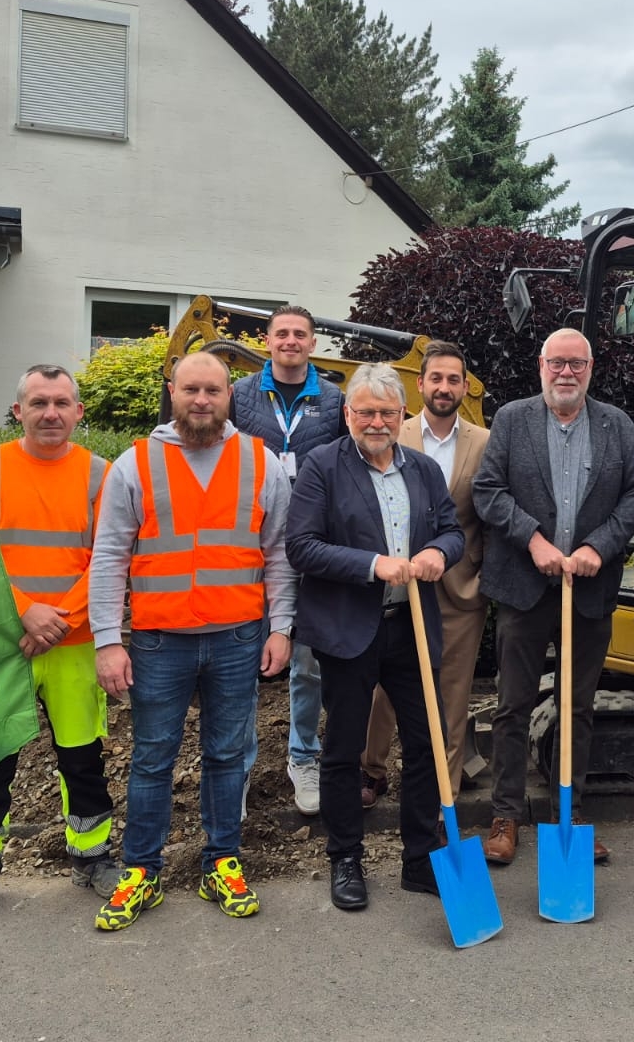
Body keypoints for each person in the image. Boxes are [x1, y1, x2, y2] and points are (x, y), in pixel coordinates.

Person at [87, 351, 294, 933]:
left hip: (237, 637)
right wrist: (108, 639)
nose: (201, 401)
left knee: (228, 755)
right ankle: (141, 870)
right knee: (152, 759)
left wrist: (281, 628)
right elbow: (108, 557)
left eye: (213, 391)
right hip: (159, 642)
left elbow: (278, 553)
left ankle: (221, 862)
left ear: (231, 395)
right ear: (171, 392)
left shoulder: (262, 462)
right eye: (190, 390)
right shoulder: (135, 464)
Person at [0, 365, 117, 930]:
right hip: (3, 641)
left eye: (62, 403)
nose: (51, 413)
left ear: (79, 412)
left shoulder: (101, 475)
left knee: (82, 760)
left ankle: (92, 859)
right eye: (38, 402)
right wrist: (24, 611)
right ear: (17, 411)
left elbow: (111, 559)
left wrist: (56, 620)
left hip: (72, 642)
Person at [286, 364, 464, 910]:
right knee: (342, 749)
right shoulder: (322, 466)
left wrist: (437, 552)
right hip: (347, 629)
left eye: (388, 412)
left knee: (426, 743)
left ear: (402, 415)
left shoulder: (424, 470)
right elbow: (303, 547)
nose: (378, 422)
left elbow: (452, 530)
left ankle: (418, 860)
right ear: (348, 414)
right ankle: (346, 859)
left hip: (410, 627)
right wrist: (373, 565)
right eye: (366, 411)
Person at [472, 327, 634, 866]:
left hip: (590, 589)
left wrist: (600, 545)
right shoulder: (511, 419)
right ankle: (507, 814)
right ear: (541, 366)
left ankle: (569, 813)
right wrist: (533, 539)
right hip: (525, 588)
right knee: (513, 705)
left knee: (578, 705)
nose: (566, 372)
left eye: (576, 363)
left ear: (590, 369)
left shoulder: (615, 425)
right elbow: (488, 491)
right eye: (557, 363)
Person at [359, 340, 489, 809]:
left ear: (465, 386)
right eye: (436, 378)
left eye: (454, 379)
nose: (444, 386)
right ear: (420, 384)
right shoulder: (394, 433)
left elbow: (487, 516)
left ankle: (444, 796)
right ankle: (371, 771)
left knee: (452, 699)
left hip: (459, 591)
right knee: (386, 691)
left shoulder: (484, 441)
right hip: (398, 589)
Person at [230, 305, 345, 817]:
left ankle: (304, 756)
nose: (291, 341)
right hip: (248, 544)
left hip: (309, 545)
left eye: (300, 334)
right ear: (267, 340)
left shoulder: (336, 398)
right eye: (283, 334)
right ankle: (238, 763)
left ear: (312, 342)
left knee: (308, 664)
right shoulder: (240, 395)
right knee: (242, 662)